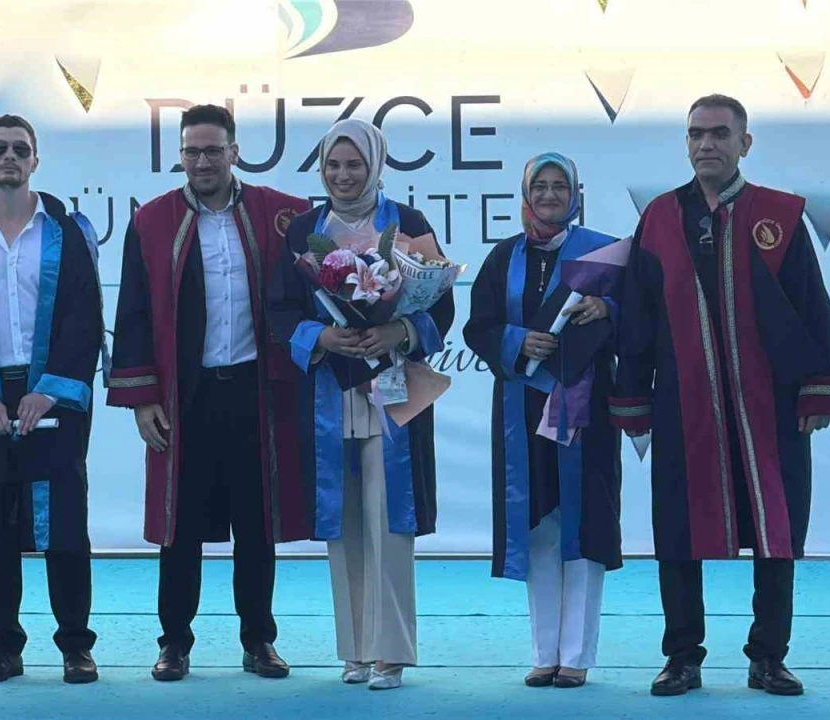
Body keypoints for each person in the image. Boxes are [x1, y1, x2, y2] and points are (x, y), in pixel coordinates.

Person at [611, 94, 830, 697]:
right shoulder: (659, 219)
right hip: (683, 403)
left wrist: (817, 392)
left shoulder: (780, 216)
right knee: (678, 531)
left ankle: (768, 657)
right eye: (696, 133)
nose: (707, 144)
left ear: (744, 144)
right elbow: (639, 317)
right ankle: (682, 657)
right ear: (685, 142)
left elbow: (811, 304)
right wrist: (633, 398)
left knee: (777, 531)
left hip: (768, 406)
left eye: (720, 134)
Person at [107, 104, 312, 681]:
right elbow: (133, 312)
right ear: (180, 155)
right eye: (192, 151)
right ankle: (174, 642)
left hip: (255, 392)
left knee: (257, 524)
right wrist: (143, 397)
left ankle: (259, 640)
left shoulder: (283, 214)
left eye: (213, 150)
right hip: (184, 396)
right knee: (181, 528)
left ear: (235, 152)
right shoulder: (151, 220)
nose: (202, 161)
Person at [269, 119, 454, 691]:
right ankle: (355, 649)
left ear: (375, 165)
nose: (343, 175)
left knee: (389, 521)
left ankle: (390, 652)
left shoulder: (408, 224)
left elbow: (441, 304)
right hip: (330, 392)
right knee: (344, 521)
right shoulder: (304, 231)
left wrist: (398, 331)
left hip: (393, 388)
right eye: (333, 165)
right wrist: (322, 336)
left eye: (354, 164)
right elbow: (279, 309)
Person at [0, 115, 102, 684]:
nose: (9, 157)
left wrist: (50, 389)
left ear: (35, 160)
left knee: (65, 525)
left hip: (50, 394)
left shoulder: (67, 233)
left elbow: (84, 316)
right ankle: (4, 646)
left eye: (20, 149)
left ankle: (76, 645)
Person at [463, 152, 623, 689]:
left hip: (585, 407)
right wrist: (517, 340)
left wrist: (609, 310)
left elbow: (642, 315)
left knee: (582, 525)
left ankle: (576, 655)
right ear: (525, 194)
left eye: (560, 186)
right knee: (538, 525)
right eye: (541, 186)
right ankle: (543, 652)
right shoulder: (502, 256)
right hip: (522, 407)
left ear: (576, 194)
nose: (550, 195)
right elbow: (478, 327)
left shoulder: (603, 254)